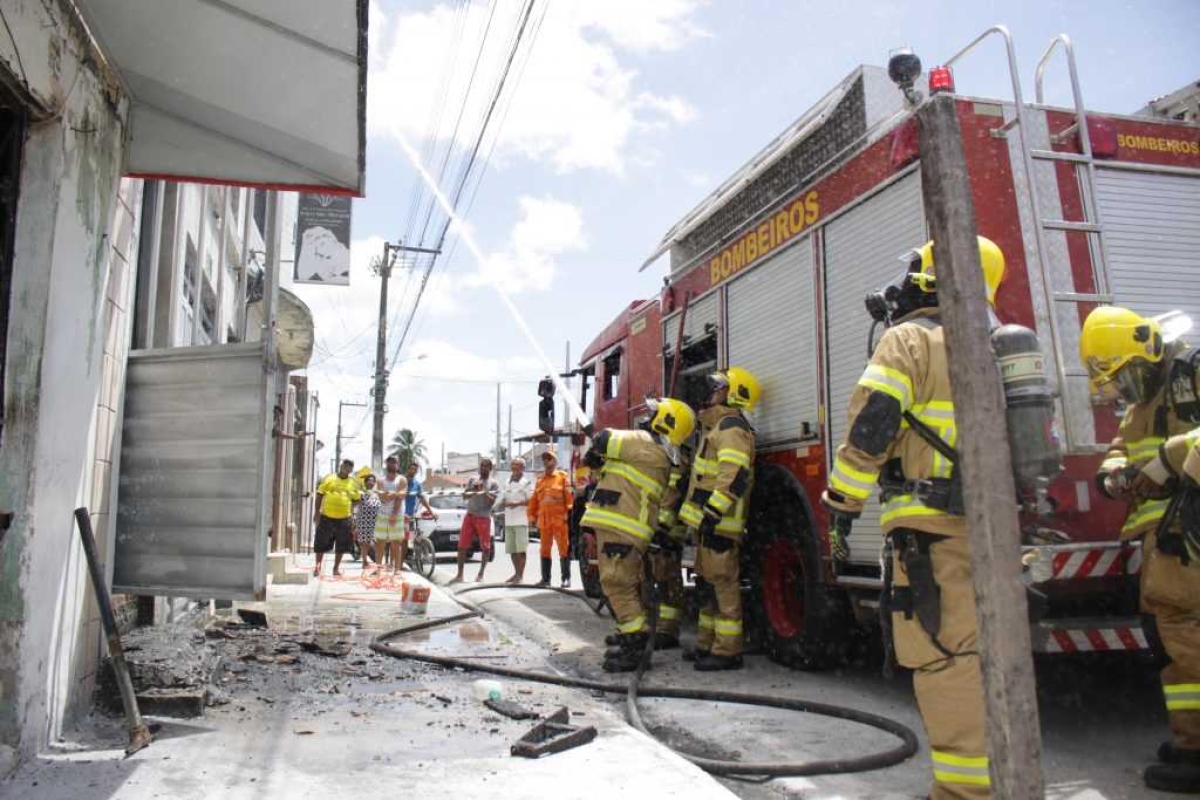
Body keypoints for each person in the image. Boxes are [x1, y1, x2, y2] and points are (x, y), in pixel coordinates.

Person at [821, 237, 1006, 799]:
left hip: (931, 532)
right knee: (983, 654)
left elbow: (873, 424)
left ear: (930, 277)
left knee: (943, 658)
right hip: (992, 530)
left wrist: (842, 504)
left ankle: (964, 794)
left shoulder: (910, 339)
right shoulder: (999, 343)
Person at [1080, 305, 1200, 794]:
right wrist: (1113, 474)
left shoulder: (1191, 373)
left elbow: (1174, 451)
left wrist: (1169, 460)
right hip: (1166, 536)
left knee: (1182, 626)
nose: (1123, 393)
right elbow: (1123, 446)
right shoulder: (1141, 402)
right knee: (1171, 635)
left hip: (1188, 529)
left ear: (1145, 352)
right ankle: (1191, 741)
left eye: (1124, 379)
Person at [584, 398, 695, 672]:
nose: (647, 416)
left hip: (621, 527)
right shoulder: (657, 453)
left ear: (665, 421)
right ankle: (629, 639)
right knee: (623, 586)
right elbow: (603, 464)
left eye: (654, 413)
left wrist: (596, 447)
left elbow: (604, 439)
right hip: (625, 527)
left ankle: (635, 648)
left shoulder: (644, 443)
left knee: (618, 584)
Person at [679, 366, 760, 672]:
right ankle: (706, 644)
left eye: (719, 388)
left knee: (723, 588)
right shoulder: (716, 428)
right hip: (708, 524)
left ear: (734, 394)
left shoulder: (731, 428)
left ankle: (727, 651)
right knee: (707, 588)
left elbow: (733, 476)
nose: (712, 393)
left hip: (720, 524)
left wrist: (713, 513)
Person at [649, 442, 692, 649]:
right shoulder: (671, 454)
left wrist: (661, 527)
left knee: (668, 578)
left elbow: (671, 495)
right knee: (660, 577)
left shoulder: (676, 457)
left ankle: (668, 629)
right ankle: (661, 627)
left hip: (669, 529)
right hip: (663, 528)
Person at [528, 449, 574, 587]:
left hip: (560, 520)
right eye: (545, 459)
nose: (546, 461)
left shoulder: (563, 477)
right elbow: (534, 501)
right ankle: (545, 579)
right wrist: (531, 515)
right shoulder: (540, 481)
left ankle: (566, 579)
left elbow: (569, 499)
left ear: (555, 461)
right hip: (544, 521)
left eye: (549, 459)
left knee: (563, 549)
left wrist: (568, 514)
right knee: (544, 550)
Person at [450, 458, 499, 584]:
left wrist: (483, 490)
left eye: (486, 466)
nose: (483, 468)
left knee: (486, 547)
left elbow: (491, 502)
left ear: (490, 468)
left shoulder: (494, 483)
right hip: (470, 515)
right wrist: (473, 489)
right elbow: (464, 496)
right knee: (461, 545)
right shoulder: (473, 479)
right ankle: (460, 574)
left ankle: (481, 574)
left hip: (483, 517)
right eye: (482, 465)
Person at [314, 459, 361, 578]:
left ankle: (335, 569)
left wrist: (349, 508)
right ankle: (318, 567)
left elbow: (357, 499)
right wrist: (317, 513)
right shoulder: (329, 478)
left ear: (351, 470)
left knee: (341, 544)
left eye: (350, 467)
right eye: (345, 466)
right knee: (321, 543)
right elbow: (320, 494)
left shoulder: (353, 483)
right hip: (326, 516)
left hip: (344, 518)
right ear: (341, 466)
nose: (347, 468)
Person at [497, 457, 534, 583]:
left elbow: (531, 500)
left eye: (517, 465)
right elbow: (502, 497)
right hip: (509, 521)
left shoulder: (526, 482)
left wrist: (517, 503)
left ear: (523, 467)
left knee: (521, 550)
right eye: (513, 465)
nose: (514, 467)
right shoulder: (507, 481)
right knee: (512, 550)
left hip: (521, 521)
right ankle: (516, 574)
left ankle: (520, 576)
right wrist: (502, 502)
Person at [375, 456, 409, 574]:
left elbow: (402, 497)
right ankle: (378, 569)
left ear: (397, 465)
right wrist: (395, 494)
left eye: (394, 462)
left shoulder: (402, 479)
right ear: (386, 464)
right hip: (382, 514)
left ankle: (397, 569)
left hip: (397, 514)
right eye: (390, 462)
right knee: (380, 542)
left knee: (396, 543)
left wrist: (394, 514)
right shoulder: (380, 480)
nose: (392, 464)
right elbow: (382, 498)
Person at [401, 462, 437, 565]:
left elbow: (422, 499)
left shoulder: (417, 484)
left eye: (415, 469)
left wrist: (431, 512)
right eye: (411, 469)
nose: (413, 471)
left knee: (411, 538)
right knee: (403, 540)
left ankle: (406, 558)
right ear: (407, 469)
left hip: (411, 516)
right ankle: (399, 563)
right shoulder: (401, 482)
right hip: (401, 515)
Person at [353, 473, 382, 574]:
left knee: (377, 543)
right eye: (368, 480)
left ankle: (379, 563)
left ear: (374, 482)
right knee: (364, 543)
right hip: (364, 520)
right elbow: (354, 504)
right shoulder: (361, 493)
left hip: (376, 521)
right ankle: (364, 561)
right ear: (365, 483)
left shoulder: (378, 494)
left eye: (372, 480)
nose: (370, 482)